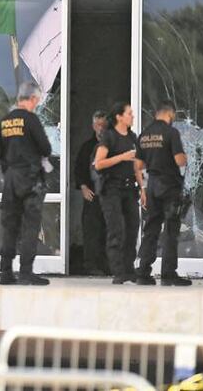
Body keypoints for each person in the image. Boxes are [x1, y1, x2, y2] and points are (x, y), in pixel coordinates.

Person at [0, 81, 52, 286]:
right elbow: (45, 148)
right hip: (30, 178)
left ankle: (5, 271)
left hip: (10, 179)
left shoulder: (4, 121)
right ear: (34, 99)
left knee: (9, 226)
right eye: (37, 101)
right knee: (30, 226)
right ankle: (26, 272)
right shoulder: (30, 119)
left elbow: (0, 153)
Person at [134, 101, 191, 286]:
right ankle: (168, 273)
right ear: (170, 114)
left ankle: (143, 271)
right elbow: (179, 161)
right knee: (171, 230)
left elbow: (139, 165)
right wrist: (185, 157)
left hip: (152, 185)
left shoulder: (144, 134)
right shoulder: (171, 133)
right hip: (169, 185)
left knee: (150, 229)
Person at [94, 102, 143, 285]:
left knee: (133, 226)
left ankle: (130, 269)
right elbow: (98, 164)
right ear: (119, 117)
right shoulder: (109, 137)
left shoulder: (132, 137)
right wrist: (121, 157)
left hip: (130, 188)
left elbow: (136, 165)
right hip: (111, 188)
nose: (132, 116)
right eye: (129, 113)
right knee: (116, 229)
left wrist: (142, 188)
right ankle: (118, 271)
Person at [72, 111, 109, 276]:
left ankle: (108, 265)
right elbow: (78, 170)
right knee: (91, 231)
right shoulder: (87, 147)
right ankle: (91, 266)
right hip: (93, 195)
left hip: (110, 196)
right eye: (98, 125)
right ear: (93, 126)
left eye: (103, 125)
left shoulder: (113, 144)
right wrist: (83, 187)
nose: (101, 128)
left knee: (109, 231)